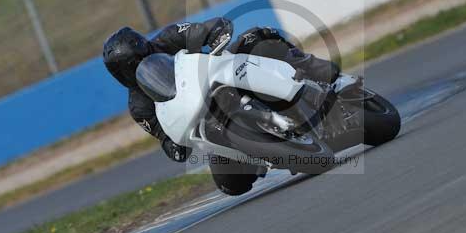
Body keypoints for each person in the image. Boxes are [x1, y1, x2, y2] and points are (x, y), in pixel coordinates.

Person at [102, 17, 339, 163]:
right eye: (125, 70)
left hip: (223, 75)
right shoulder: (139, 107)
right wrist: (173, 144)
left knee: (256, 37)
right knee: (230, 183)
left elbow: (204, 28)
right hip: (208, 120)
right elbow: (163, 137)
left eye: (135, 62)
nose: (134, 70)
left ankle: (310, 69)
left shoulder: (168, 39)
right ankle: (272, 151)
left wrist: (215, 33)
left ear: (146, 48)